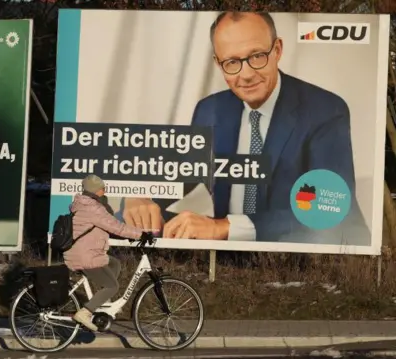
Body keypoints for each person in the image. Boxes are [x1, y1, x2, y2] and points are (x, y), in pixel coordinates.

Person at [119, 11, 368, 244]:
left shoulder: (325, 110)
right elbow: (181, 170)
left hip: (304, 256)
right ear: (218, 63)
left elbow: (328, 210)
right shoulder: (210, 110)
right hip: (231, 259)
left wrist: (224, 227)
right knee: (125, 220)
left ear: (277, 50)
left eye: (257, 56)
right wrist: (141, 195)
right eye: (232, 62)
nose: (246, 74)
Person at [63, 174, 151, 331]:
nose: (105, 190)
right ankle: (85, 312)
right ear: (97, 190)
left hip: (81, 252)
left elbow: (103, 228)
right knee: (113, 286)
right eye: (103, 188)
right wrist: (141, 234)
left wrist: (125, 237)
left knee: (114, 263)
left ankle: (102, 302)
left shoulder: (82, 205)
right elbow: (116, 225)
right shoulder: (94, 208)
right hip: (85, 256)